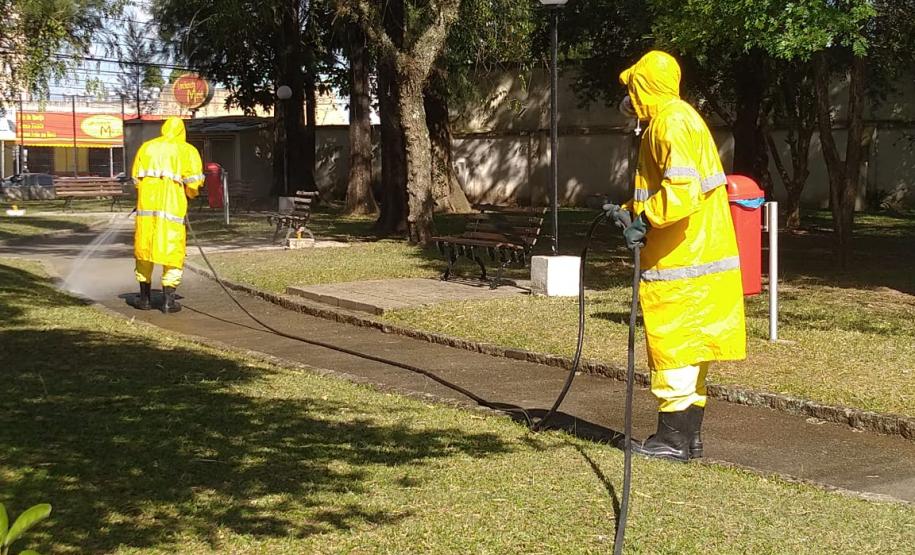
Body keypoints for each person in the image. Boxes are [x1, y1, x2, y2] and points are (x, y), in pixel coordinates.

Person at [605, 51, 747, 461]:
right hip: (699, 258)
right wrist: (630, 212)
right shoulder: (682, 118)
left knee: (675, 350)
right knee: (692, 352)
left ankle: (672, 439)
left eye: (632, 89)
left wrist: (644, 221)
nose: (628, 97)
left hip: (681, 264)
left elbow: (680, 193)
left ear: (643, 87)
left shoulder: (668, 122)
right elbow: (674, 188)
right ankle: (689, 439)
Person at [131, 117, 204, 313]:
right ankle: (168, 302)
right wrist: (189, 193)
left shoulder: (146, 147)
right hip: (172, 209)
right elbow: (194, 183)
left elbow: (136, 179)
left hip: (146, 209)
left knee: (144, 250)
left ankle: (144, 300)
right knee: (172, 252)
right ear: (182, 131)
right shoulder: (187, 150)